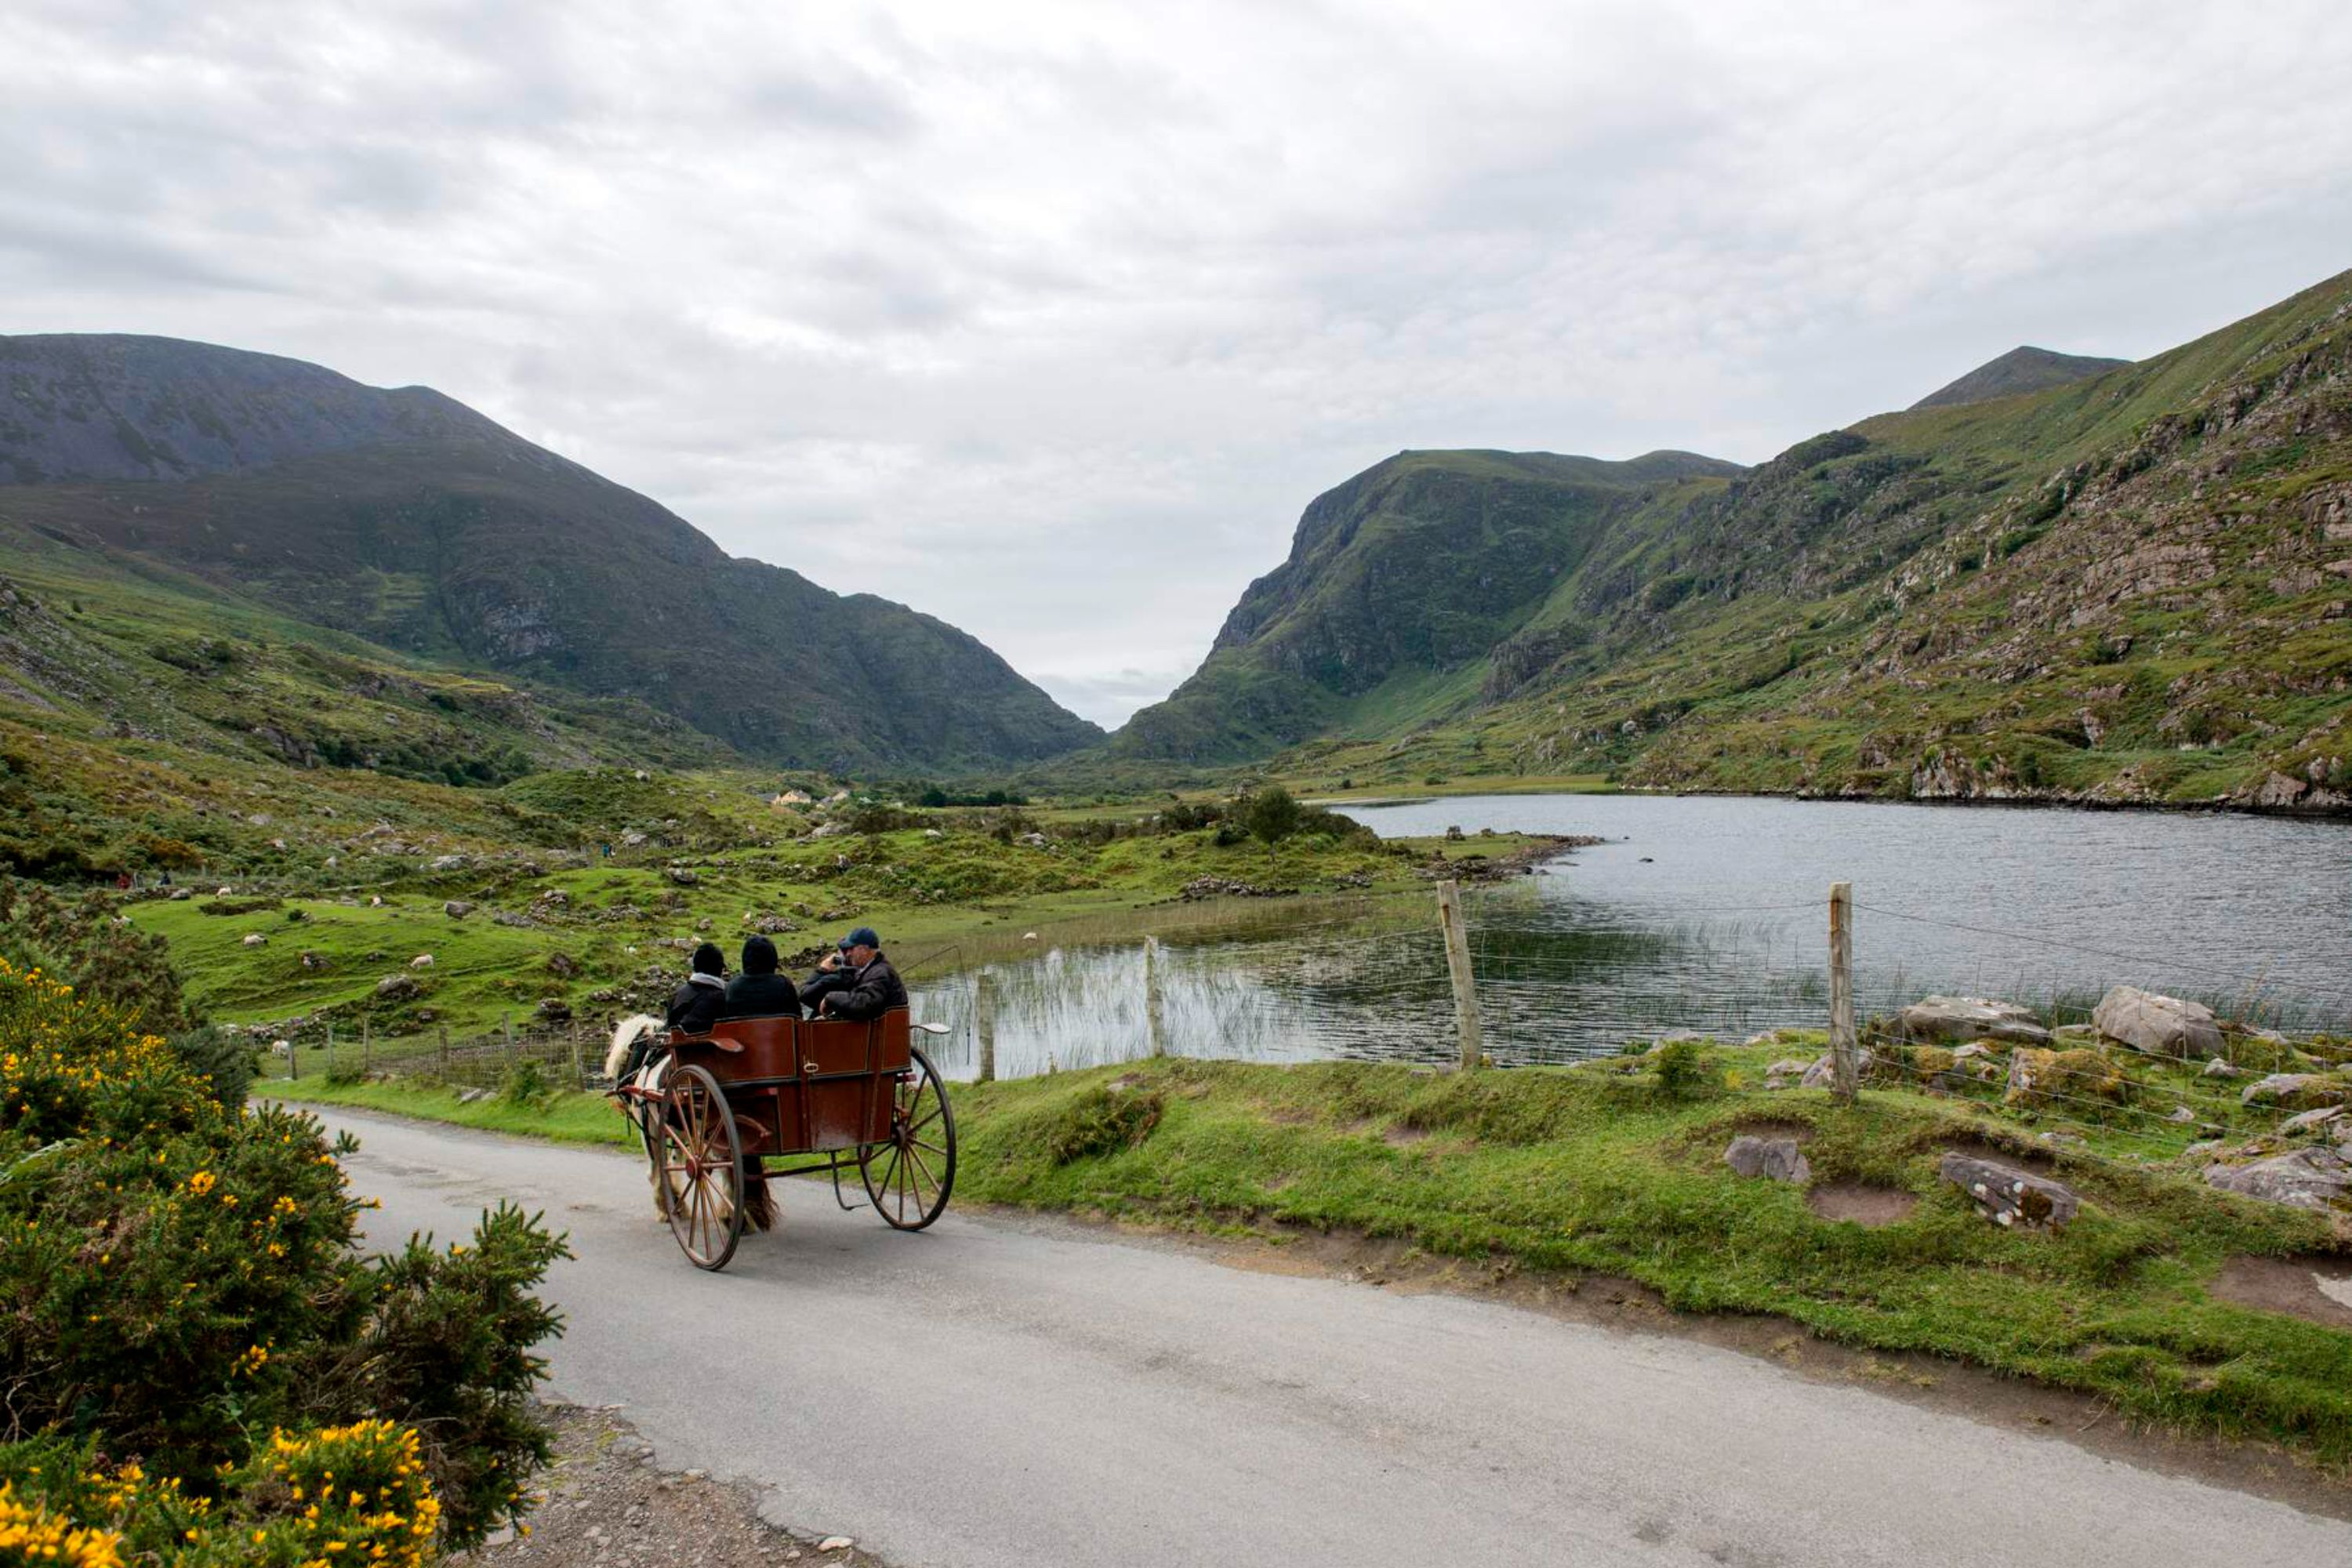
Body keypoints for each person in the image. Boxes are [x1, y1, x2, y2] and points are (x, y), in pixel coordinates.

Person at [804, 926, 907, 1020]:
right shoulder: (869, 970)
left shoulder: (880, 972)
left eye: (851, 949)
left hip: (881, 1036)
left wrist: (830, 998)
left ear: (864, 950)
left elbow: (865, 1005)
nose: (848, 953)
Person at [720, 934, 804, 1019]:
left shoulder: (731, 988)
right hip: (776, 1032)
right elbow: (798, 1020)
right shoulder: (785, 986)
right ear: (773, 959)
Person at [664, 942, 728, 1036]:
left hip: (677, 1049)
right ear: (720, 969)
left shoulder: (676, 995)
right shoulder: (723, 999)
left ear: (695, 966)